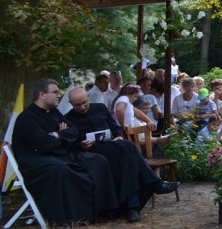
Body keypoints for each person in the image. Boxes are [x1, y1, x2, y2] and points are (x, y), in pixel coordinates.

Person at [11, 79, 119, 225]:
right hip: (37, 162)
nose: (59, 95)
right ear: (42, 94)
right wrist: (60, 135)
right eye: (55, 92)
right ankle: (74, 217)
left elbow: (74, 131)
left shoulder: (54, 112)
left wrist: (56, 135)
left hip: (59, 154)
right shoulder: (27, 118)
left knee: (98, 161)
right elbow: (44, 144)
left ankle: (104, 211)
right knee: (62, 169)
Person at [65, 87, 179, 222]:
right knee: (128, 147)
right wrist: (82, 145)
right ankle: (154, 184)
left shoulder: (100, 108)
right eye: (77, 105)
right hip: (93, 152)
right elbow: (70, 144)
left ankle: (133, 208)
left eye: (84, 102)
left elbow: (115, 127)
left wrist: (118, 136)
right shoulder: (68, 119)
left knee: (126, 158)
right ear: (71, 104)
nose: (83, 107)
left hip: (114, 146)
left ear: (88, 98)